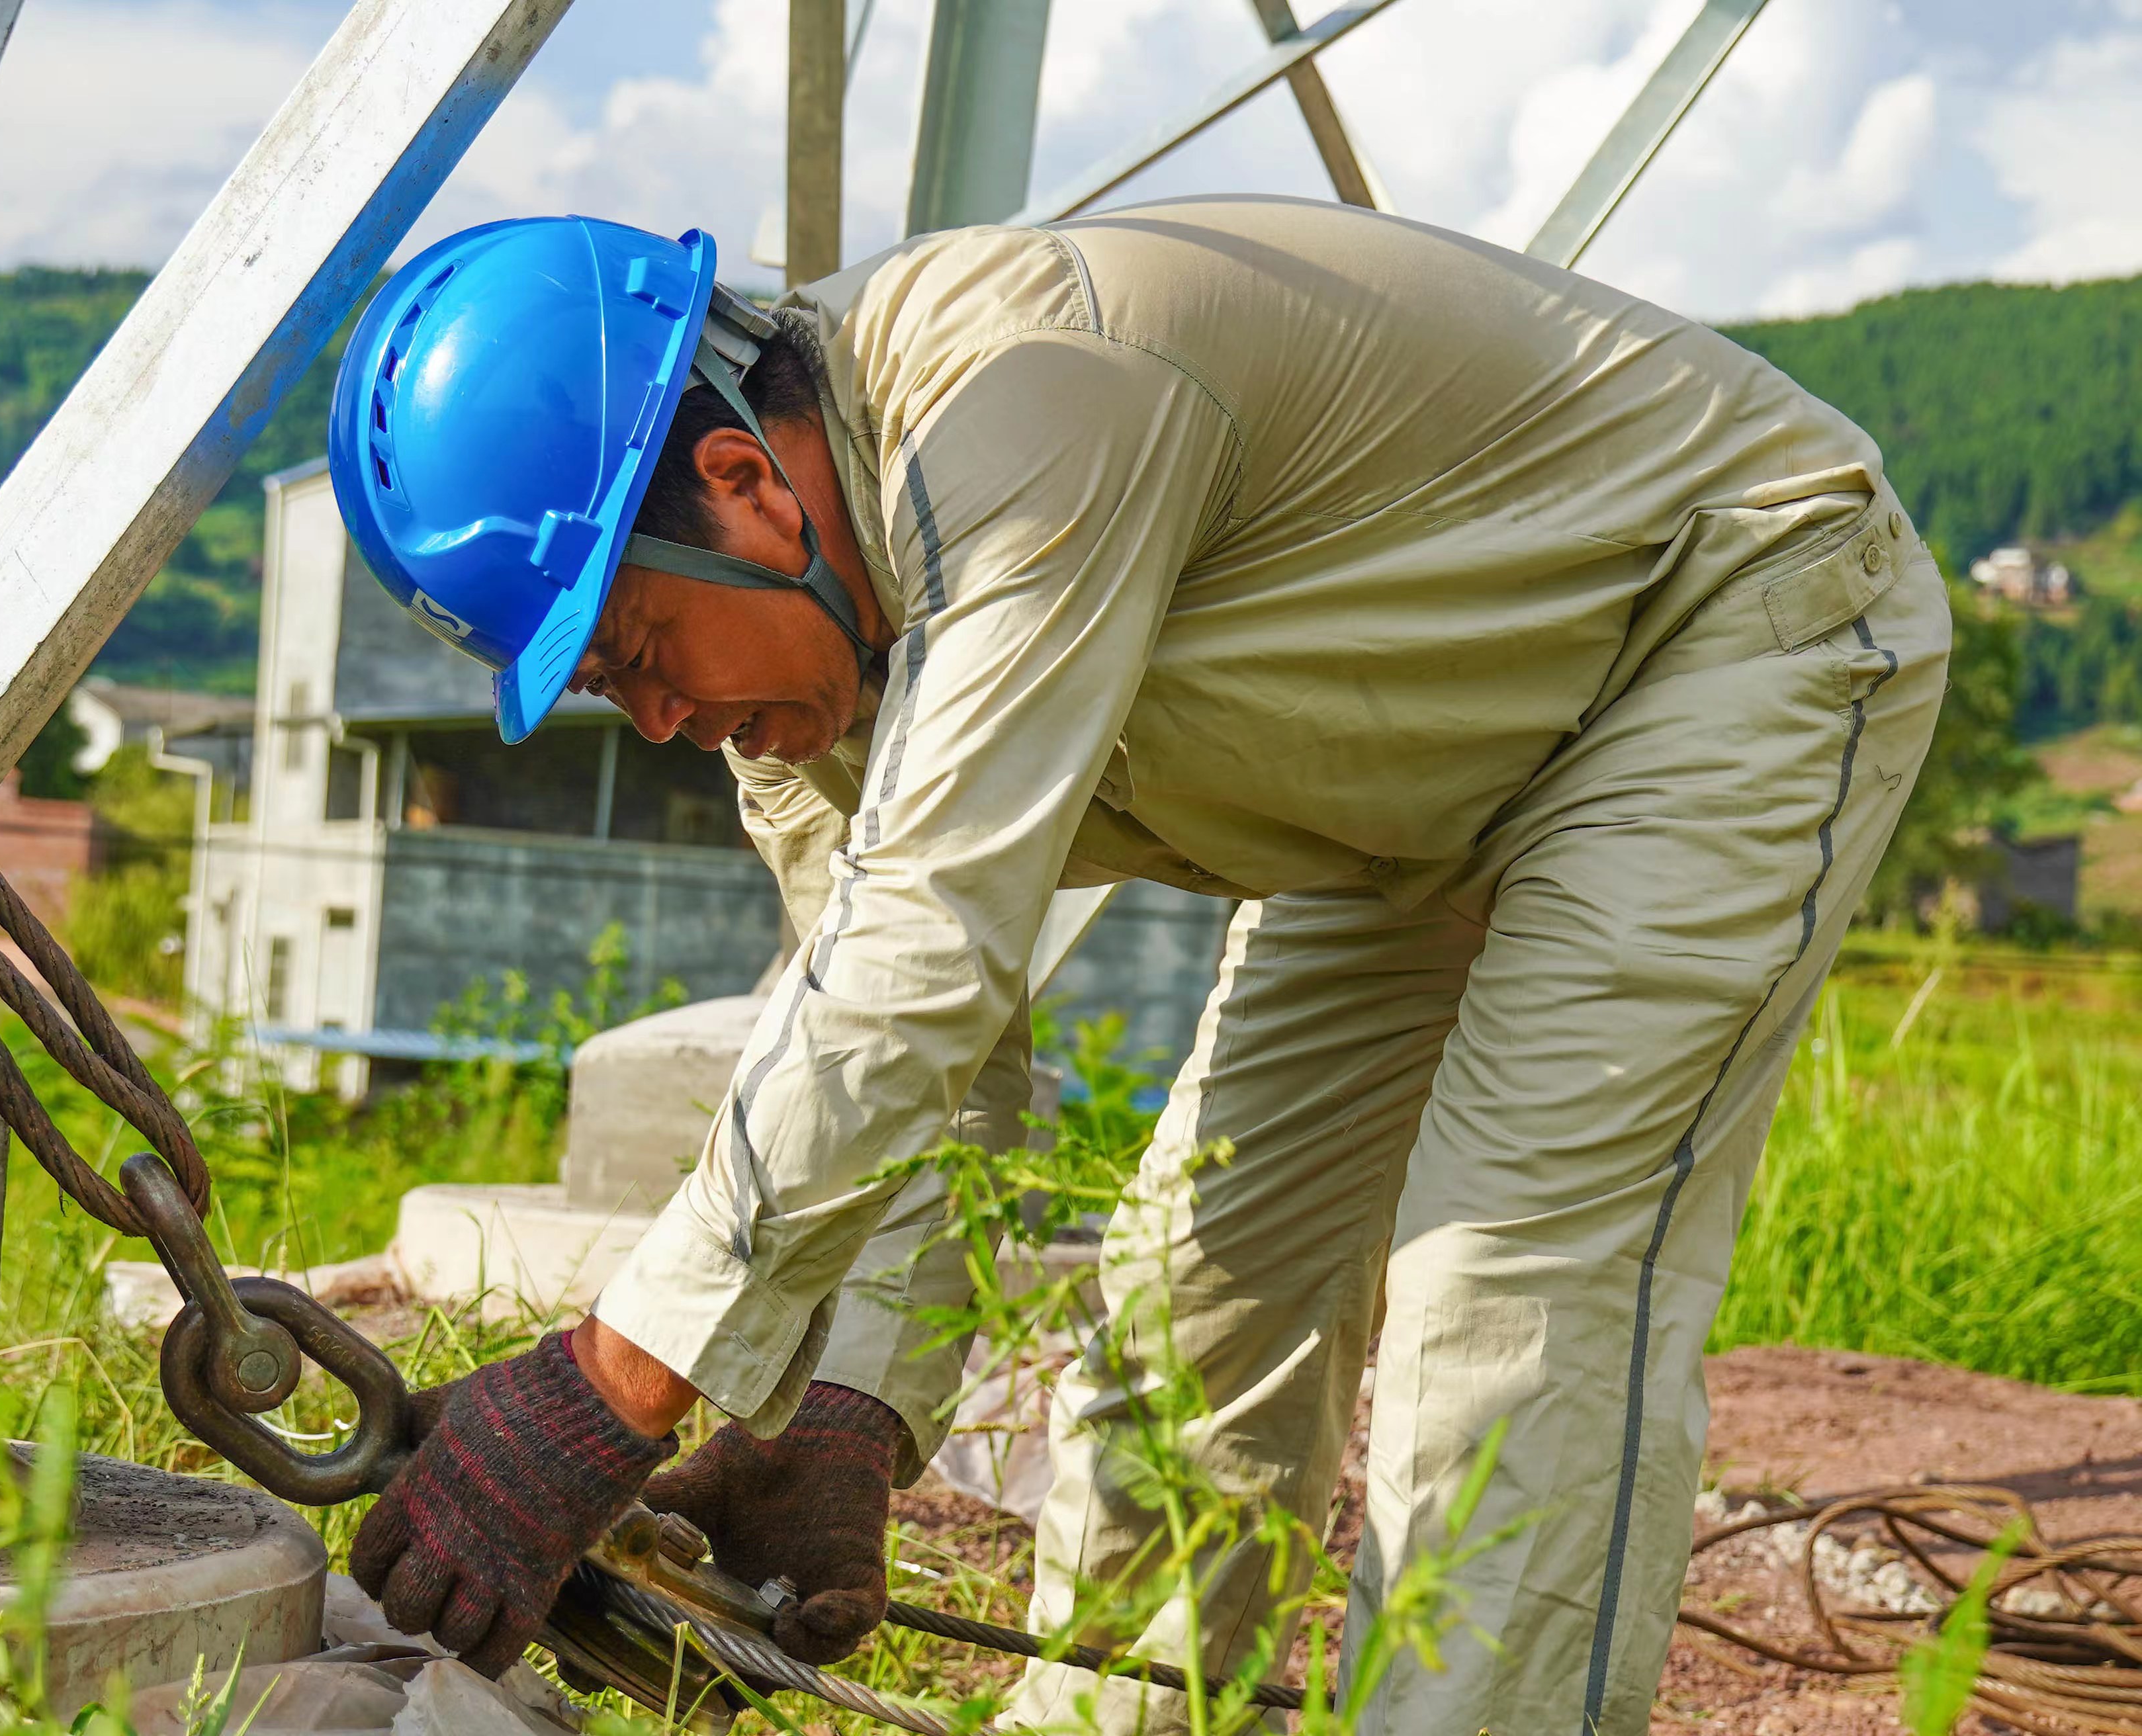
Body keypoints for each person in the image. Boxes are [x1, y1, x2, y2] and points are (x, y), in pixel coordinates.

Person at [326, 198, 1947, 1733]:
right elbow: (900, 1056)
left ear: (748, 485)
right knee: (1192, 1306)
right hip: (1401, 803)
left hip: (1718, 628)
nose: (663, 722)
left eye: (642, 653)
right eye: (615, 698)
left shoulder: (1027, 401)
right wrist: (840, 1414)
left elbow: (922, 960)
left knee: (1506, 1286)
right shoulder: (794, 695)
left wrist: (609, 1385)